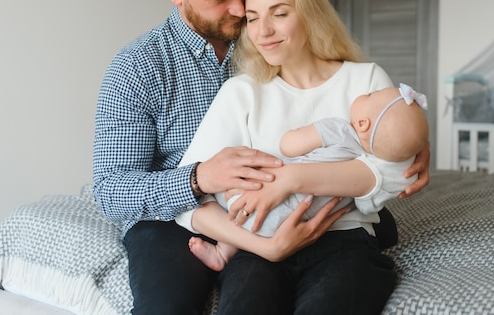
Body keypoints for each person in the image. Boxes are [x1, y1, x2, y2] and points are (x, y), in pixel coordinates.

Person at [92, 0, 430, 315]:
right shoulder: (140, 68)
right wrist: (199, 179)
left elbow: (381, 135)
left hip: (290, 213)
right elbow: (110, 190)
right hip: (179, 212)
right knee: (168, 305)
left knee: (361, 234)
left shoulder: (259, 46)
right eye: (222, 0)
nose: (241, 12)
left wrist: (406, 138)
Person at [174, 0, 423, 315]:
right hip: (258, 247)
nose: (264, 31)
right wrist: (266, 248)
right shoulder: (241, 92)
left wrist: (291, 179)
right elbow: (187, 199)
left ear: (309, 13)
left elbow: (396, 172)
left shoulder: (365, 81)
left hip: (344, 242)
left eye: (279, 13)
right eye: (253, 17)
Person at [184, 83, 430, 271]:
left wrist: (297, 134)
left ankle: (223, 252)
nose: (364, 93)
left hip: (252, 203)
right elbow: (367, 204)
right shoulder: (371, 169)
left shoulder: (342, 129)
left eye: (369, 96)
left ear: (362, 123)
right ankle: (223, 253)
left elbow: (289, 145)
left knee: (234, 180)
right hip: (297, 223)